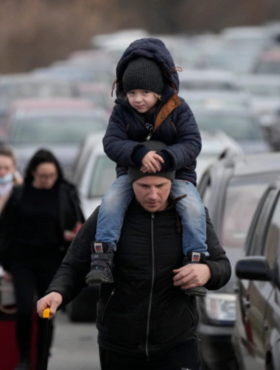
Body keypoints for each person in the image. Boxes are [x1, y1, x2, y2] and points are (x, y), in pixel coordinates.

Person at [36, 143, 231, 370]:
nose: (152, 195)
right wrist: (57, 293)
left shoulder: (191, 217)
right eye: (143, 187)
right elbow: (74, 264)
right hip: (120, 344)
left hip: (177, 341)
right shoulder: (108, 216)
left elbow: (223, 267)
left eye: (160, 186)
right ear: (130, 184)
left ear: (172, 183)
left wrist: (206, 271)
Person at [87, 38, 208, 298]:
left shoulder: (178, 108)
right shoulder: (121, 111)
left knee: (193, 208)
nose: (137, 99)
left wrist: (166, 158)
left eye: (144, 93)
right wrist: (138, 153)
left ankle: (195, 260)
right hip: (131, 175)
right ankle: (102, 256)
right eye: (131, 93)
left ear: (158, 92)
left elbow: (192, 142)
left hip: (178, 175)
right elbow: (111, 142)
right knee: (111, 201)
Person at [0, 149, 83, 370]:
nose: (47, 180)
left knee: (47, 314)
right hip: (22, 261)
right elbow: (3, 229)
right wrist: (5, 263)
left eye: (51, 176)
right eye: (42, 176)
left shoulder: (65, 193)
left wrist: (71, 235)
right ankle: (23, 360)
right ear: (31, 173)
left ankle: (42, 366)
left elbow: (79, 223)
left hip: (52, 262)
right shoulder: (20, 194)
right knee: (23, 309)